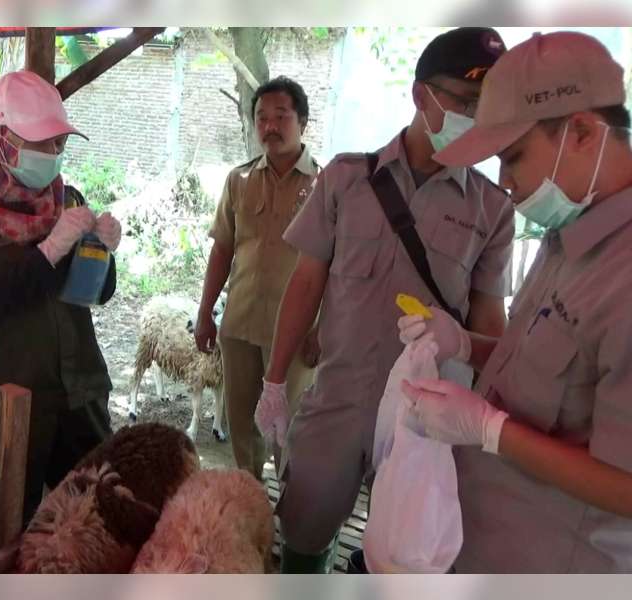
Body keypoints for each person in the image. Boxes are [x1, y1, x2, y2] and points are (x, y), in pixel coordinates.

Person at [255, 28, 514, 573]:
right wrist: (275, 382)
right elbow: (306, 284)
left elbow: (491, 320)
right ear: (423, 97)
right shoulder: (348, 179)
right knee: (303, 538)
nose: (479, 118)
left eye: (489, 108)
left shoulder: (493, 209)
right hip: (337, 401)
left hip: (428, 416)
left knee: (407, 556)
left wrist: (489, 419)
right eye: (467, 103)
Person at [400, 30, 632, 573]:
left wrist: (490, 430)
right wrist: (466, 344)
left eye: (514, 157)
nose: (505, 183)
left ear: (580, 133)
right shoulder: (567, 231)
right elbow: (544, 362)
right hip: (481, 538)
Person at [0, 70, 123, 544]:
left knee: (96, 520)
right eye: (41, 142)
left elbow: (94, 293)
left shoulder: (64, 199)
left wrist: (101, 253)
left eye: (57, 143)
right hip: (1, 405)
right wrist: (48, 253)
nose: (52, 154)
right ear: (0, 138)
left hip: (77, 392)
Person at [194, 76, 321, 480]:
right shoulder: (240, 180)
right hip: (240, 324)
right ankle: (248, 497)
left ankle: (292, 516)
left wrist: (326, 328)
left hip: (298, 333)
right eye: (261, 117)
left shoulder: (326, 186)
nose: (270, 125)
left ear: (303, 121)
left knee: (291, 427)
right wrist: (204, 313)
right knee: (241, 421)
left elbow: (338, 266)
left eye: (281, 116)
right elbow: (222, 249)